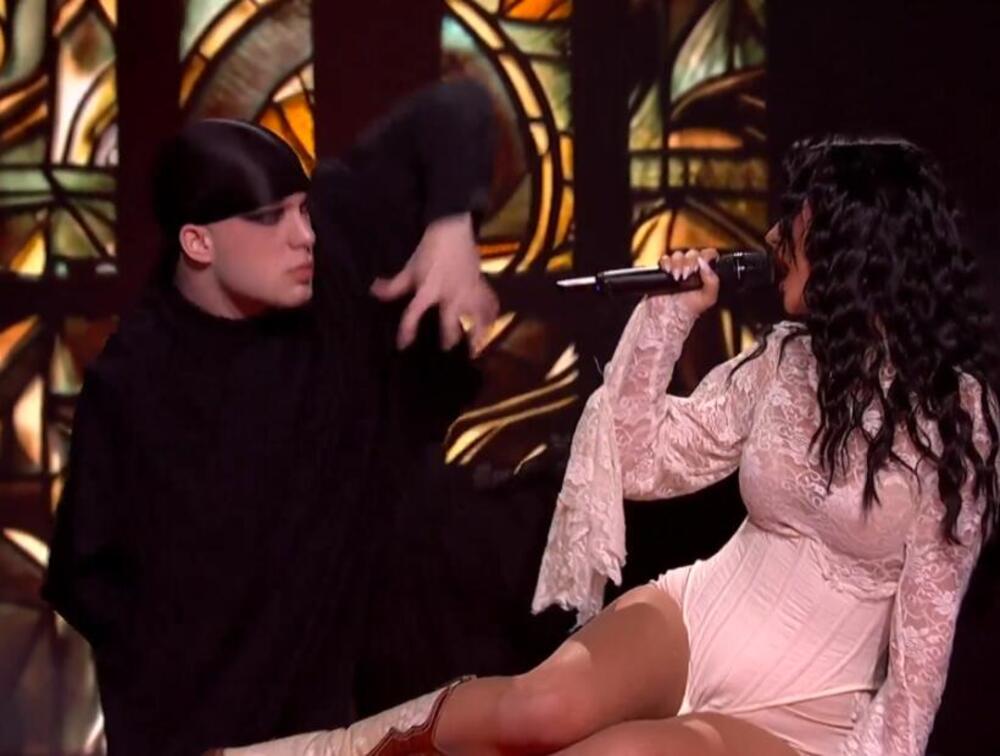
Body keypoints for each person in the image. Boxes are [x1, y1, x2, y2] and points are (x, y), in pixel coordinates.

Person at [218, 137, 1000, 755]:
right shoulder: (786, 362)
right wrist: (670, 316)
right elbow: (642, 458)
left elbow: (924, 645)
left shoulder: (960, 419)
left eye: (798, 218)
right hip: (704, 615)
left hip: (812, 712)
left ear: (859, 248)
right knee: (539, 709)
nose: (773, 235)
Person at [42, 80, 501, 755]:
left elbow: (456, 107)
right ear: (198, 242)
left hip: (349, 718)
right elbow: (90, 578)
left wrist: (450, 227)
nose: (302, 236)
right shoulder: (135, 383)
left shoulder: (331, 261)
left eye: (302, 210)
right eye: (269, 219)